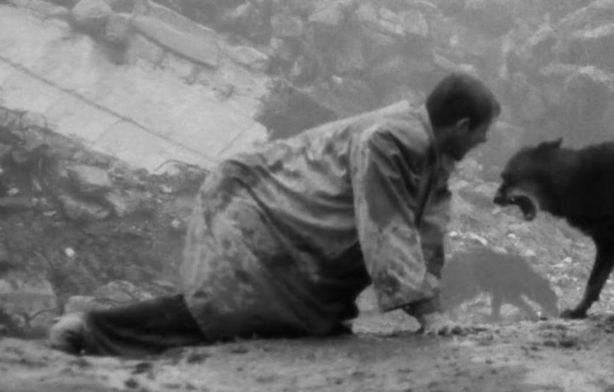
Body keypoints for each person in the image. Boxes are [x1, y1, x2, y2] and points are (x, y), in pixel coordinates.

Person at [48, 72, 500, 357]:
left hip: (299, 235)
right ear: (462, 126)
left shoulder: (433, 155)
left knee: (287, 322)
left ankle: (101, 334)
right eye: (483, 132)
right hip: (256, 206)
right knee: (230, 309)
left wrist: (434, 307)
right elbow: (388, 228)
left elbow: (427, 233)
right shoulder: (388, 140)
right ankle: (90, 329)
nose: (484, 141)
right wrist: (428, 315)